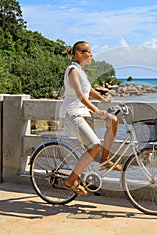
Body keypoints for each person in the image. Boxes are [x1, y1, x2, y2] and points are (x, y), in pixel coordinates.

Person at [59, 41, 120, 196]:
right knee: (94, 145)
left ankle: (105, 160)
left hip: (83, 113)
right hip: (72, 114)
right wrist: (98, 111)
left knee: (113, 121)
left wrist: (103, 99)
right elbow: (80, 96)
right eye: (88, 51)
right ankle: (71, 180)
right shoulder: (72, 70)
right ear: (79, 53)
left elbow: (89, 90)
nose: (91, 54)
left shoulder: (81, 70)